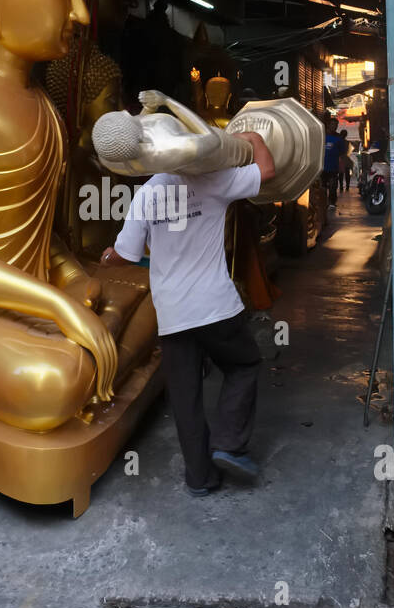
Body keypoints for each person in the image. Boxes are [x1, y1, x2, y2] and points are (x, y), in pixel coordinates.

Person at [100, 130, 276, 495]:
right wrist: (255, 136)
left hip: (173, 313)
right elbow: (267, 171)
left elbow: (125, 256)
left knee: (185, 395)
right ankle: (227, 444)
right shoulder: (215, 181)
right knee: (243, 366)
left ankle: (200, 478)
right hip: (216, 308)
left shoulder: (146, 194)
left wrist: (107, 257)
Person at [321, 118, 346, 204]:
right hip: (321, 167)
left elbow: (342, 152)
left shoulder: (339, 138)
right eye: (332, 124)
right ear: (328, 125)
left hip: (333, 167)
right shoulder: (322, 136)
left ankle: (332, 202)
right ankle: (323, 203)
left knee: (333, 187)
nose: (334, 127)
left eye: (336, 125)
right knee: (322, 187)